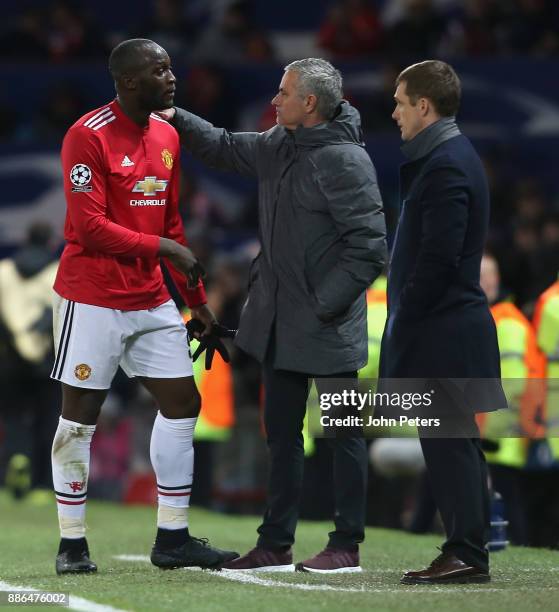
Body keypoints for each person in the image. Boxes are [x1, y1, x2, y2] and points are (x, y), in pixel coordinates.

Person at [161, 58, 386, 572]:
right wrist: (172, 115)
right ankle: (274, 543)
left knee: (344, 436)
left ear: (310, 103)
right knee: (281, 437)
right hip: (279, 324)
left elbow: (370, 248)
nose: (274, 100)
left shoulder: (347, 161)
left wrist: (323, 303)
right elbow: (219, 144)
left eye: (283, 93)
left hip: (327, 323)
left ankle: (346, 545)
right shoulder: (277, 144)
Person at [50, 38, 238, 575]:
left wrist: (197, 304)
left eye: (171, 67)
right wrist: (162, 249)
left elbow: (171, 224)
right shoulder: (86, 136)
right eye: (161, 70)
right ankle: (72, 545)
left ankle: (173, 539)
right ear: (130, 82)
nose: (172, 77)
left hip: (151, 296)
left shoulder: (167, 134)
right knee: (78, 422)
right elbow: (89, 228)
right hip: (92, 297)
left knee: (183, 404)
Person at [380, 60, 507, 584]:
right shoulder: (447, 158)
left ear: (424, 106)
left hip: (445, 329)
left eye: (400, 102)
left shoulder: (448, 164)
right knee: (452, 443)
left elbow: (438, 259)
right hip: (448, 327)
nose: (394, 113)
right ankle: (465, 549)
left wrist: (404, 311)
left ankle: (466, 554)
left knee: (450, 444)